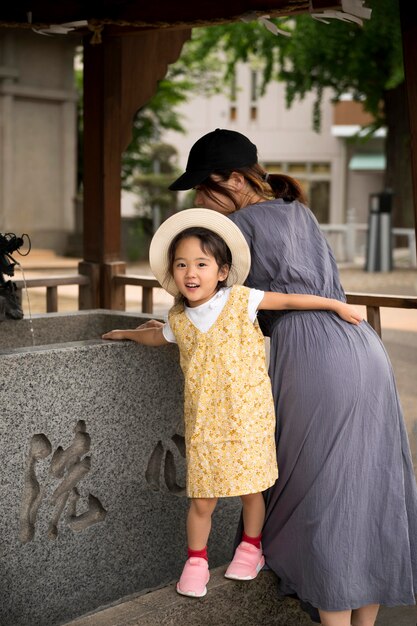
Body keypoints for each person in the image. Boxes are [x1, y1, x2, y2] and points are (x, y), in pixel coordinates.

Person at [165, 129, 417, 626]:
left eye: (203, 187)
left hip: (311, 355)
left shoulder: (242, 228)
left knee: (316, 497)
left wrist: (161, 328)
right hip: (362, 349)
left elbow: (210, 307)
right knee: (364, 489)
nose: (198, 199)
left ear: (235, 181)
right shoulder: (297, 210)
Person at [102, 208, 363, 601]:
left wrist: (336, 306)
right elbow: (158, 338)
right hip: (205, 425)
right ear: (172, 273)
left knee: (251, 490)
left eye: (202, 264)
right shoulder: (179, 319)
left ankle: (251, 548)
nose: (191, 273)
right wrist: (127, 333)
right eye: (182, 265)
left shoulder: (241, 300)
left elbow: (290, 300)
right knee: (202, 498)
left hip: (249, 419)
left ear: (221, 271)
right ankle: (196, 561)